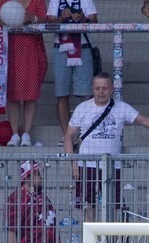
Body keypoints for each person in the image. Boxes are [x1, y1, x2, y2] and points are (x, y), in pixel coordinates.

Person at [65, 73, 149, 223]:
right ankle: (91, 238)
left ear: (111, 89)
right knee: (88, 208)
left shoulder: (121, 107)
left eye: (104, 88)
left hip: (111, 166)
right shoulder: (82, 108)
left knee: (113, 207)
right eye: (97, 88)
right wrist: (73, 162)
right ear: (92, 89)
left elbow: (145, 121)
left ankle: (109, 237)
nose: (101, 91)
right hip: (87, 166)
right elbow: (68, 137)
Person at [46, 0, 97, 141]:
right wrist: (61, 17)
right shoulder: (55, 1)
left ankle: (85, 134)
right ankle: (67, 136)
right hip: (60, 49)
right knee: (62, 95)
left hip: (83, 47)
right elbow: (49, 25)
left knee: (86, 95)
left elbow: (95, 22)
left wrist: (83, 18)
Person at [3, 0, 48, 146]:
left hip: (31, 50)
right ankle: (15, 134)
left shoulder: (37, 1)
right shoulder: (3, 1)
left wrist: (32, 18)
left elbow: (45, 19)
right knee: (12, 94)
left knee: (31, 93)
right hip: (10, 50)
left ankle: (27, 134)